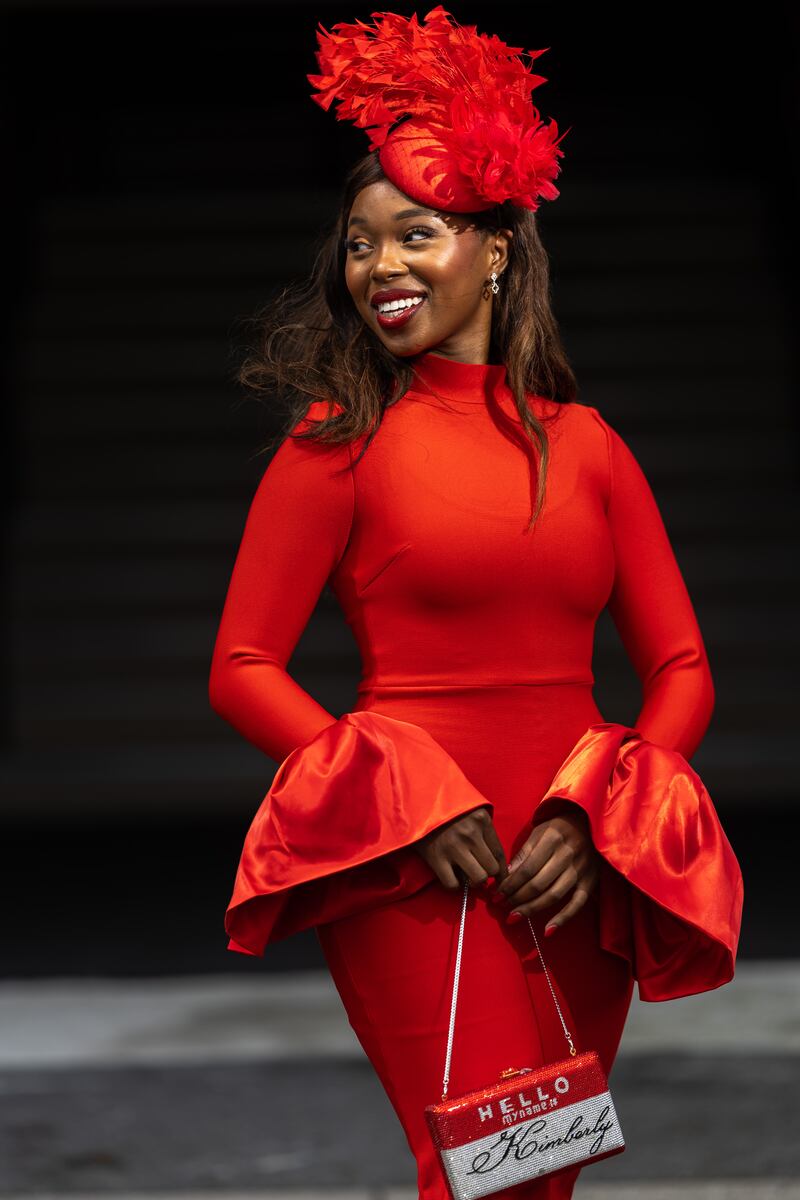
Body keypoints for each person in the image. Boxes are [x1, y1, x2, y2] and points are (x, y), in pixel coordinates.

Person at [208, 10, 743, 1199]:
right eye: (358, 246)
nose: (378, 268)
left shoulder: (588, 446)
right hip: (417, 868)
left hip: (573, 866)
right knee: (471, 1170)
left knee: (539, 1174)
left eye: (414, 235)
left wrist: (599, 820)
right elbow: (241, 664)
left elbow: (683, 668)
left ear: (496, 247)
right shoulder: (335, 445)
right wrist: (397, 798)